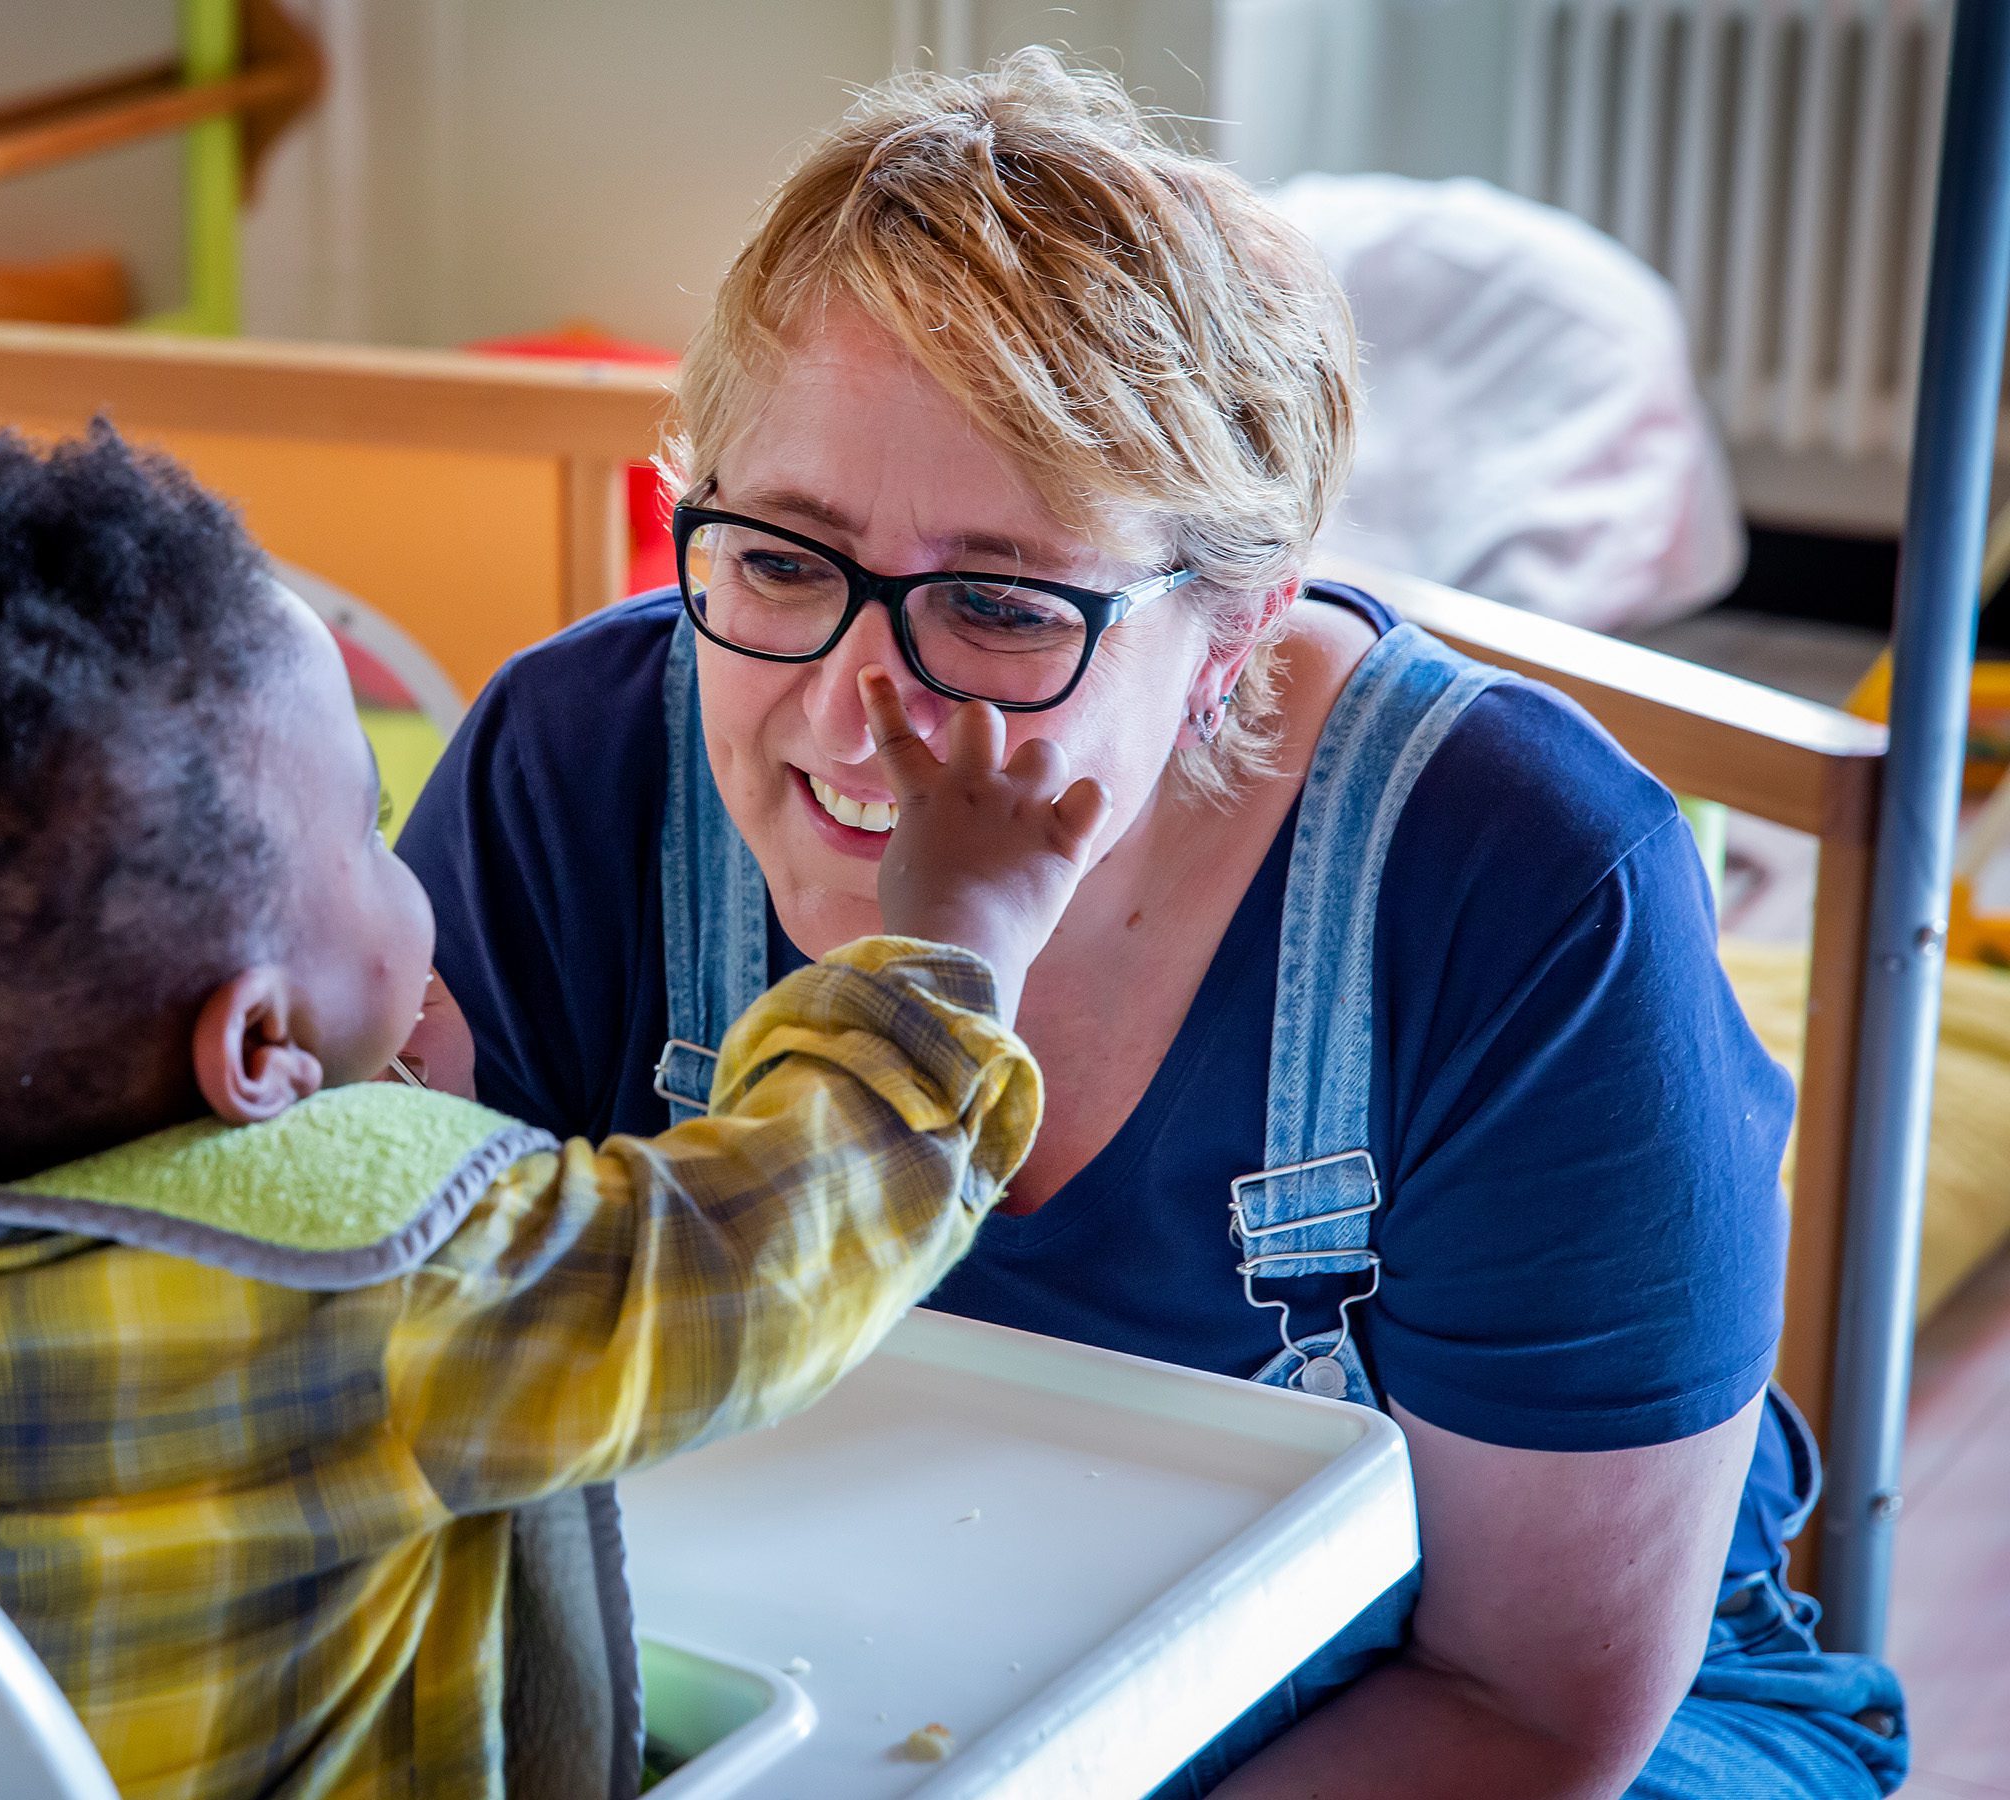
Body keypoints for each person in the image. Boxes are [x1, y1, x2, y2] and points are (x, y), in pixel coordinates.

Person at [398, 49, 1907, 1798]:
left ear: (1234, 630)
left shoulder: (1527, 891)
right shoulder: (577, 770)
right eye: (784, 561)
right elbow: (392, 1414)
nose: (857, 710)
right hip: (814, 1691)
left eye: (999, 604)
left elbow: (1533, 1701)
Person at [0, 422, 1096, 1800]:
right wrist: (946, 964)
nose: (400, 860)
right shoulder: (387, 1287)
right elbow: (750, 1265)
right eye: (367, 825)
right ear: (261, 1044)